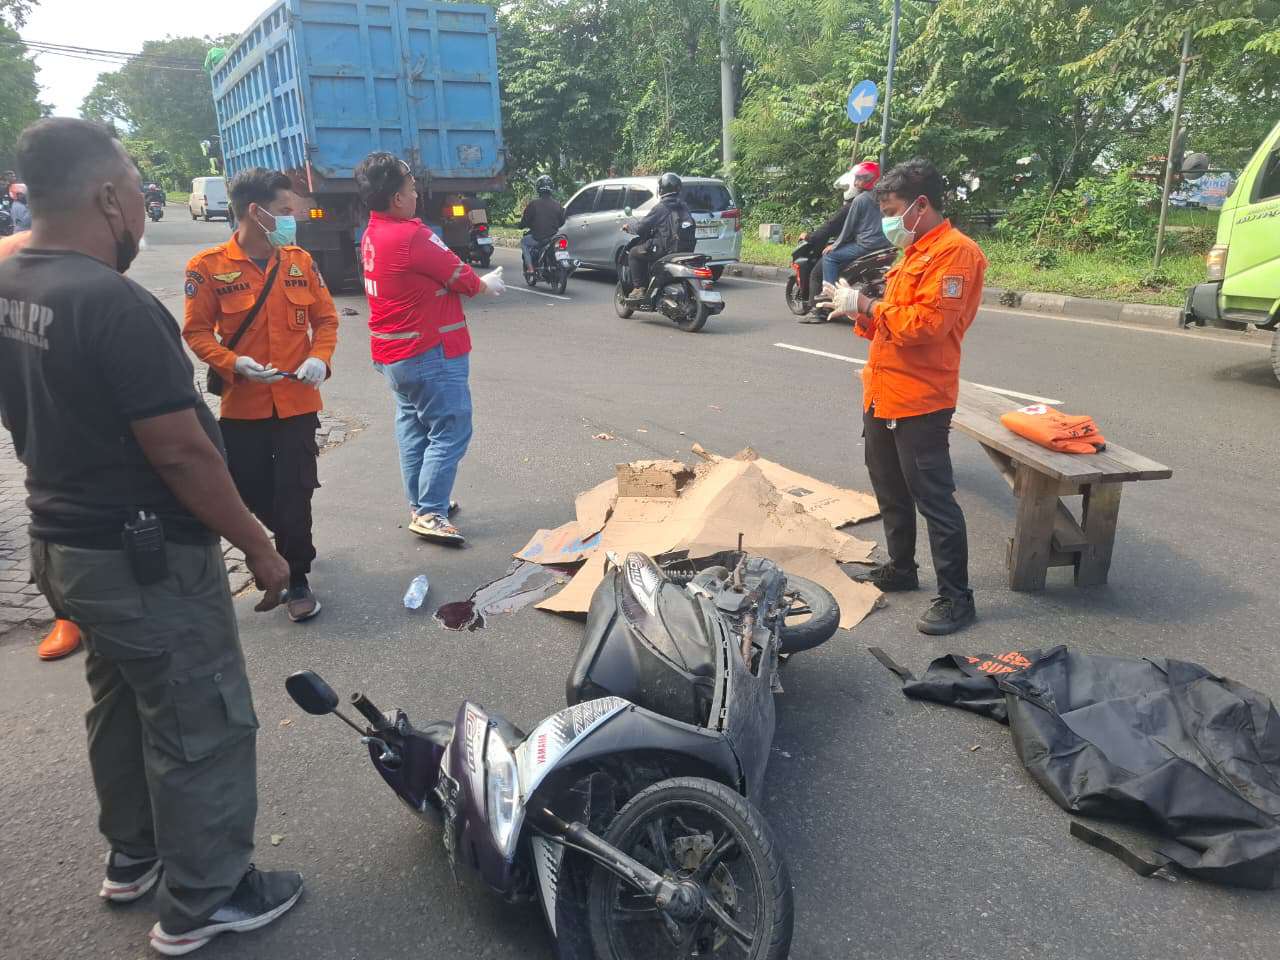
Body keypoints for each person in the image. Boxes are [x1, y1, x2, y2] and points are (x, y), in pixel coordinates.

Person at [0, 118, 302, 955]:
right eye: (137, 188)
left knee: (124, 704)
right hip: (142, 558)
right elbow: (180, 450)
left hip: (63, 546)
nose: (141, 204)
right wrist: (260, 543)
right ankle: (208, 897)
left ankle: (134, 855)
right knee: (201, 716)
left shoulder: (12, 280)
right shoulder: (113, 301)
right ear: (107, 197)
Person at [828, 157, 987, 636]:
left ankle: (957, 598)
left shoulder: (955, 254)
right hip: (882, 389)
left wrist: (868, 303)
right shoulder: (914, 250)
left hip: (921, 397)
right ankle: (901, 568)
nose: (888, 222)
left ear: (921, 205)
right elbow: (894, 317)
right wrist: (855, 310)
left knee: (934, 499)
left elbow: (929, 326)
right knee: (888, 487)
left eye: (894, 209)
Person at [183, 168, 339, 623]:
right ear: (258, 211)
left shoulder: (299, 262)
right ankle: (290, 540)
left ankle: (297, 576)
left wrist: (320, 358)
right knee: (246, 487)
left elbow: (326, 319)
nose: (295, 219)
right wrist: (233, 364)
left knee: (295, 489)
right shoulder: (208, 267)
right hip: (243, 404)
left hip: (298, 402)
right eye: (287, 210)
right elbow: (195, 332)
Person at [354, 151, 505, 544]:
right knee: (451, 428)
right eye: (411, 186)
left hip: (394, 354)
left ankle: (421, 502)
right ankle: (430, 512)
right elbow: (460, 274)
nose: (417, 192)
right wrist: (487, 284)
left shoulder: (374, 231)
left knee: (413, 427)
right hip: (428, 351)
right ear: (396, 198)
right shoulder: (410, 235)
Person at [820, 161, 890, 287]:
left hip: (866, 245)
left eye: (859, 179)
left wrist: (835, 245)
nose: (856, 182)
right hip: (886, 245)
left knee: (829, 257)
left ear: (869, 179)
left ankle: (829, 292)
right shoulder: (885, 197)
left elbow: (848, 227)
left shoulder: (860, 200)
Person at [627, 172, 695, 297]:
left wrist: (629, 227)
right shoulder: (684, 206)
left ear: (661, 190)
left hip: (666, 249)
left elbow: (642, 227)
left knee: (633, 253)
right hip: (687, 249)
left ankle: (639, 288)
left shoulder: (661, 207)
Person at [518, 175, 565, 273]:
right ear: (551, 188)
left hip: (538, 238)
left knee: (524, 242)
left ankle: (530, 268)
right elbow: (562, 222)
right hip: (553, 237)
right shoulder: (557, 205)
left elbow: (525, 220)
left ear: (538, 188)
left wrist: (521, 225)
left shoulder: (533, 204)